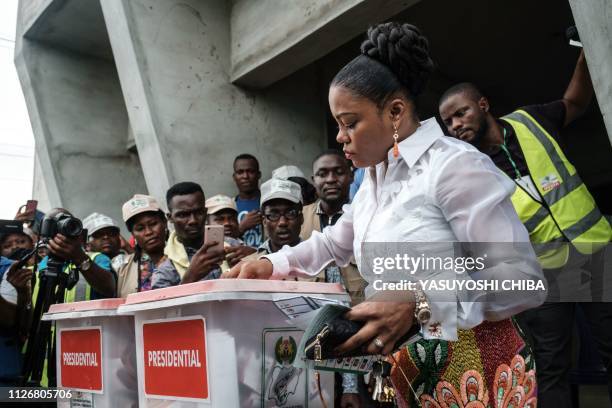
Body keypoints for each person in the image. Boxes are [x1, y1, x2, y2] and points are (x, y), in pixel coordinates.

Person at [225, 22, 546, 407]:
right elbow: (333, 242)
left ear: (395, 112)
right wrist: (269, 264)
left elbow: (523, 279)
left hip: (478, 370)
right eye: (338, 125)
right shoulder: (374, 180)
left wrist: (418, 303)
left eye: (350, 123)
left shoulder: (454, 168)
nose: (341, 137)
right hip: (412, 374)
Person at [439, 51, 612, 406]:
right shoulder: (469, 170)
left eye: (461, 113)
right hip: (540, 275)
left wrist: (586, 53)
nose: (455, 125)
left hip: (595, 253)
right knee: (551, 367)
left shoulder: (532, 121)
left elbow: (576, 101)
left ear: (483, 105)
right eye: (448, 122)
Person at [301, 149, 366, 305]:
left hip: (360, 313)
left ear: (351, 176)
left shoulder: (365, 216)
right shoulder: (299, 218)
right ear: (313, 180)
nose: (331, 180)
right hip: (313, 315)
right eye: (322, 174)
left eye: (338, 172)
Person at [152, 182, 224, 288]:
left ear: (205, 212)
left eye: (198, 212)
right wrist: (190, 278)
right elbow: (163, 304)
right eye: (183, 215)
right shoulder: (165, 271)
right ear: (170, 217)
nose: (193, 221)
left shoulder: (230, 246)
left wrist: (249, 258)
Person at [113, 194, 168, 297]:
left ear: (164, 222)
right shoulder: (121, 268)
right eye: (140, 228)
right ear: (132, 233)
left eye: (153, 224)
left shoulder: (183, 256)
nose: (148, 232)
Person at [242, 178, 304, 260]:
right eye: (273, 215)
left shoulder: (320, 261)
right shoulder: (248, 266)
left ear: (301, 218)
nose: (282, 222)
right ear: (264, 221)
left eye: (290, 213)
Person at [205, 194, 256, 268]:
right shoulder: (201, 252)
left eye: (231, 218)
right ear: (207, 222)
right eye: (220, 219)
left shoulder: (246, 249)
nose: (227, 223)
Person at [233, 154, 264, 247]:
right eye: (240, 172)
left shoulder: (267, 203)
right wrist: (241, 228)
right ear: (234, 177)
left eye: (250, 171)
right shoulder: (229, 206)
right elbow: (221, 241)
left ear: (258, 175)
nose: (245, 176)